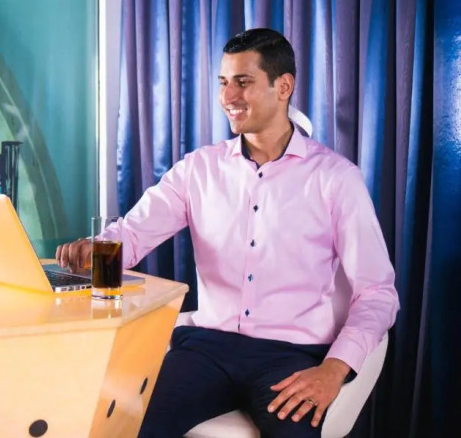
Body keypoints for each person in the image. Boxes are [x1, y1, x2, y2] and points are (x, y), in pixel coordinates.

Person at [56, 28, 400, 438]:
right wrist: (93, 251)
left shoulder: (336, 178)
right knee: (126, 426)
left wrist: (334, 368)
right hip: (207, 349)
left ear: (283, 87)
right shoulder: (198, 169)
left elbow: (377, 292)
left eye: (243, 82)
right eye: (223, 82)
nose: (228, 97)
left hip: (291, 356)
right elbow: (131, 235)